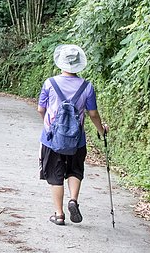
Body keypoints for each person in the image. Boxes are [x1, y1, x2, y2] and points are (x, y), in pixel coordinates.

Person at [38, 44, 108, 226]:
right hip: (77, 139)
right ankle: (73, 200)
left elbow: (41, 109)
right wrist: (102, 130)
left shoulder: (49, 83)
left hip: (52, 138)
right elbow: (93, 114)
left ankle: (59, 214)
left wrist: (48, 125)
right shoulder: (87, 87)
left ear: (61, 63)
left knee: (55, 175)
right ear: (78, 65)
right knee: (75, 170)